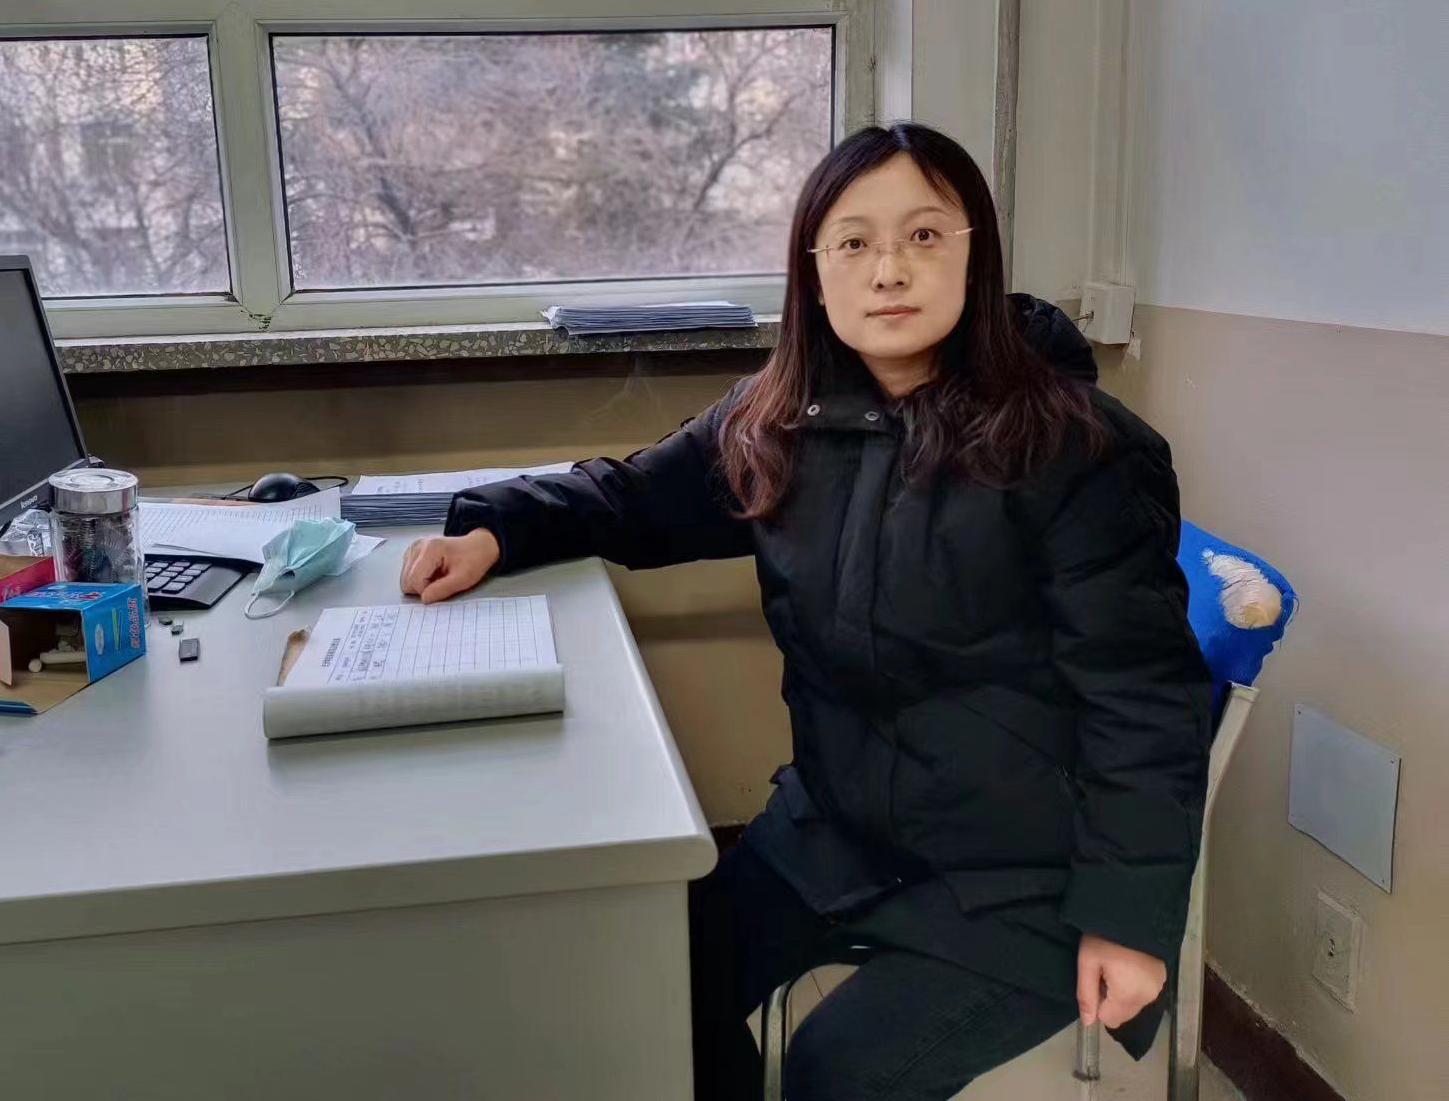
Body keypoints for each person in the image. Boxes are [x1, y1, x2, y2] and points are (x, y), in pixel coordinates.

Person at [400, 123, 1211, 1101]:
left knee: (835, 1070)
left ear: (977, 256)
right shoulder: (778, 416)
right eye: (854, 242)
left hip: (1020, 875)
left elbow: (1144, 700)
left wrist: (1127, 916)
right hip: (836, 825)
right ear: (813, 273)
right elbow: (635, 496)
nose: (888, 270)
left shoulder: (1077, 448)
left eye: (924, 236)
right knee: (646, 986)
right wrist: (497, 528)